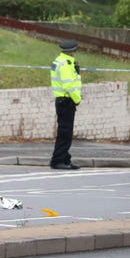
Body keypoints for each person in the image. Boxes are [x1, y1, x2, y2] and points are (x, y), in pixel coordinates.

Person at [50, 39, 82, 170]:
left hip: (62, 101)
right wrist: (77, 99)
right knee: (65, 133)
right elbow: (68, 85)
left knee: (65, 132)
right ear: (72, 51)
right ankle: (58, 161)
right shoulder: (66, 64)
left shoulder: (60, 61)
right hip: (67, 100)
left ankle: (64, 159)